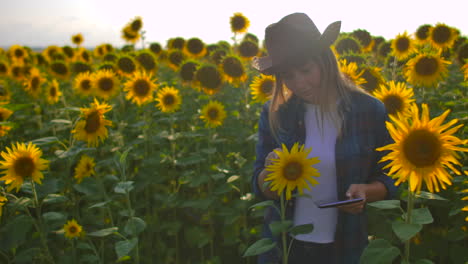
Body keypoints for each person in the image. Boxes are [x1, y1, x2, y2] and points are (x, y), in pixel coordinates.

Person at [250, 13, 398, 264]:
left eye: (306, 70)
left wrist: (368, 192)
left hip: (345, 244)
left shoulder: (368, 111)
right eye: (288, 76)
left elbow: (390, 174)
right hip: (286, 246)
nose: (300, 83)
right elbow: (258, 184)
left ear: (325, 61)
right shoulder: (276, 113)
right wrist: (271, 174)